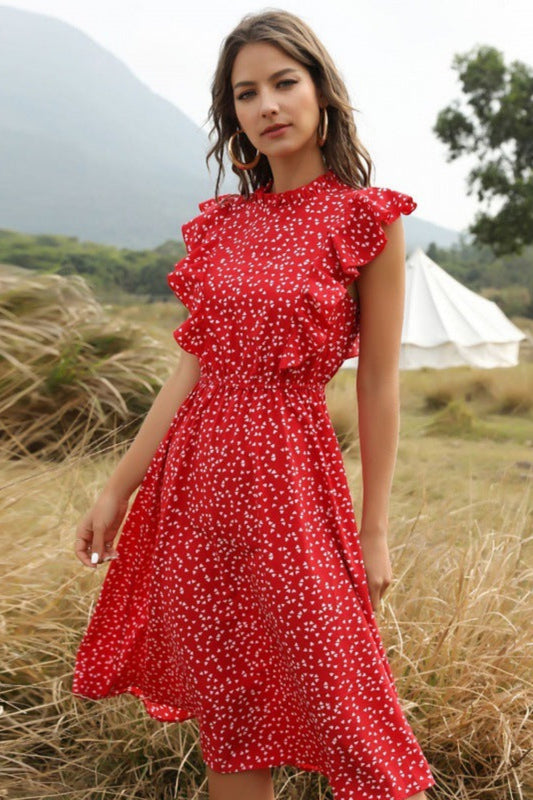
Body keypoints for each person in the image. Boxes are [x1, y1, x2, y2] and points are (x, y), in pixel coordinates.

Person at [72, 10, 437, 800]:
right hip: (196, 488)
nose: (267, 105)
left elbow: (377, 384)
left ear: (321, 92)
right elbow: (189, 373)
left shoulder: (366, 221)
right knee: (231, 715)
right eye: (246, 93)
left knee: (352, 710)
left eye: (283, 83)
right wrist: (117, 488)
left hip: (290, 484)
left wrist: (374, 531)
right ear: (231, 114)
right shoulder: (222, 227)